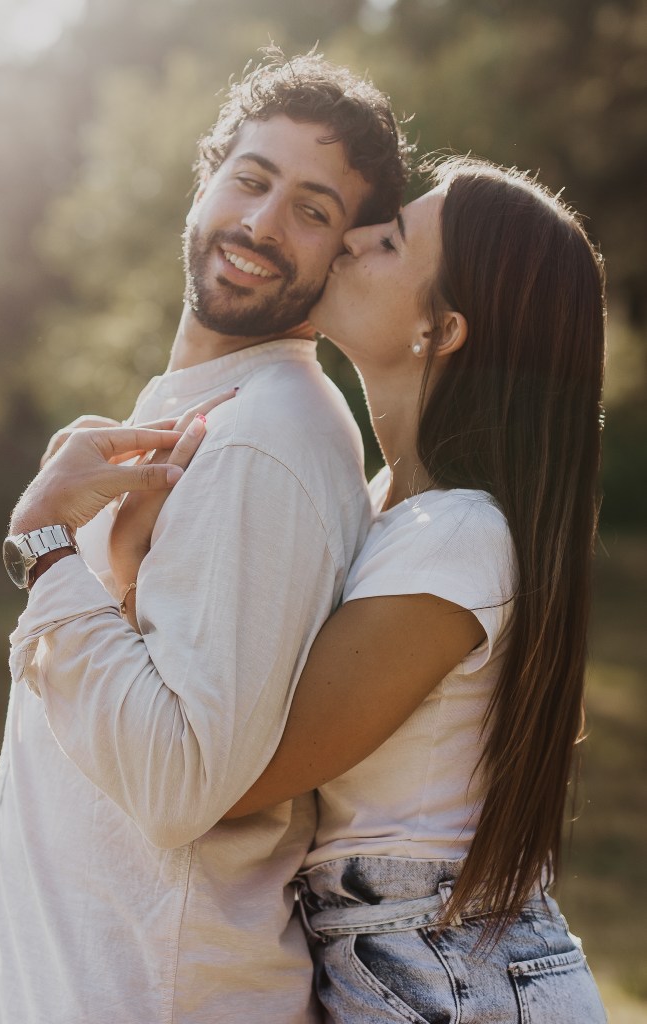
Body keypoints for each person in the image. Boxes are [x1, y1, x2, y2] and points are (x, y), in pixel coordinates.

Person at [106, 157, 609, 1021]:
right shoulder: (386, 506)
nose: (349, 239)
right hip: (408, 962)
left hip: (448, 977)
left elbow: (225, 780)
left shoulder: (455, 538)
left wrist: (105, 571)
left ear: (441, 329)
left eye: (388, 239)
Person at [0, 52, 410, 1024]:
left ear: (342, 253)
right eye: (250, 180)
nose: (259, 224)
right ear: (205, 177)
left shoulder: (267, 436)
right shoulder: (200, 414)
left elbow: (181, 787)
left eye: (311, 209)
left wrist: (44, 548)